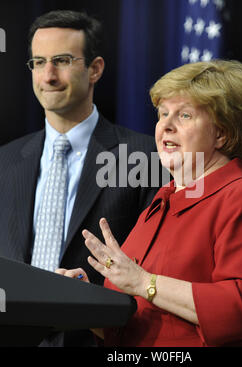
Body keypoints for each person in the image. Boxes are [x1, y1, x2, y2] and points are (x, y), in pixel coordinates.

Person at [60, 59, 242, 347]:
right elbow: (136, 327)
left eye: (184, 116)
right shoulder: (159, 205)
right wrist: (84, 302)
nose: (166, 126)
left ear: (222, 133)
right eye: (163, 114)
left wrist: (145, 283)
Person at [0, 10, 161, 346]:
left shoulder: (143, 158)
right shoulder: (6, 160)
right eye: (38, 62)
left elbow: (159, 271)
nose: (48, 76)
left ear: (95, 69)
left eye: (61, 60)